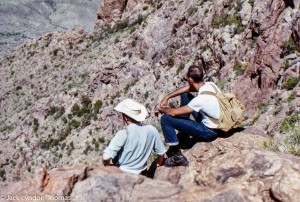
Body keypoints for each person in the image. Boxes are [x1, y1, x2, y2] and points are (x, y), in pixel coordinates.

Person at [155, 65, 221, 167]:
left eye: (187, 79)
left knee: (165, 119)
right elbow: (186, 90)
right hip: (216, 123)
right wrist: (167, 97)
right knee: (185, 95)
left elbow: (173, 113)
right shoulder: (210, 85)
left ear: (190, 79)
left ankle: (178, 157)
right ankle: (184, 136)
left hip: (209, 132)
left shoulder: (200, 100)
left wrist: (160, 109)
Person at [103, 98, 166, 175]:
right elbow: (161, 153)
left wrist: (108, 167)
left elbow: (106, 157)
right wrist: (159, 164)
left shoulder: (124, 133)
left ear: (125, 118)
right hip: (142, 173)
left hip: (123, 173)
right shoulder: (152, 130)